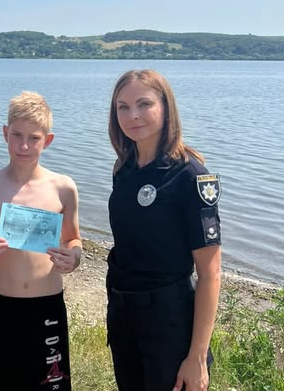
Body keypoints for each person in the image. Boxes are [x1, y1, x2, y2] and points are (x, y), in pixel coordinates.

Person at [106, 70, 222, 391]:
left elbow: (210, 272)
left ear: (166, 107)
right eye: (123, 107)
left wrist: (197, 356)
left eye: (144, 104)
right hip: (124, 316)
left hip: (170, 322)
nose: (133, 115)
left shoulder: (190, 175)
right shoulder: (124, 168)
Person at [0, 91, 82, 391]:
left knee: (50, 384)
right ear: (5, 133)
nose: (24, 145)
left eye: (34, 138)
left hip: (47, 306)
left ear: (48, 140)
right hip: (0, 304)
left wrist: (74, 257)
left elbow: (73, 239)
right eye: (16, 135)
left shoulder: (63, 187)